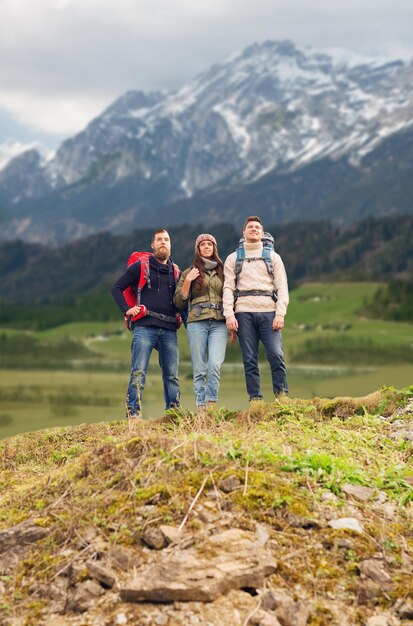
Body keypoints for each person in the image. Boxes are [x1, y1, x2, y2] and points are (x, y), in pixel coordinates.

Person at [111, 229, 180, 422]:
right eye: (159, 240)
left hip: (169, 329)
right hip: (144, 327)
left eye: (166, 239)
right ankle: (133, 414)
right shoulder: (140, 267)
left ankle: (173, 414)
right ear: (153, 245)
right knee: (139, 371)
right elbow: (116, 288)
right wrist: (127, 310)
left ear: (170, 244)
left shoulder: (176, 271)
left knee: (172, 375)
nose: (163, 243)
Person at [223, 216, 289, 401]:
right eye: (250, 227)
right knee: (250, 358)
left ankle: (282, 397)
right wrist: (229, 314)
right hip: (243, 312)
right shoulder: (233, 258)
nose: (254, 229)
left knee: (276, 355)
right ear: (243, 233)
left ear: (262, 232)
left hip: (270, 311)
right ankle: (255, 399)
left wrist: (280, 313)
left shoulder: (273, 257)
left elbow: (282, 287)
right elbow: (228, 288)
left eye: (257, 227)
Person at [174, 234, 227, 414]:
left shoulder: (224, 271)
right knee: (199, 368)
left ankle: (211, 402)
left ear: (214, 248)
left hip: (219, 323)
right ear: (197, 249)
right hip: (196, 322)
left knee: (214, 365)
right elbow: (178, 302)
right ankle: (201, 408)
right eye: (202, 244)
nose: (206, 247)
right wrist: (188, 281)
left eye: (209, 244)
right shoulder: (189, 272)